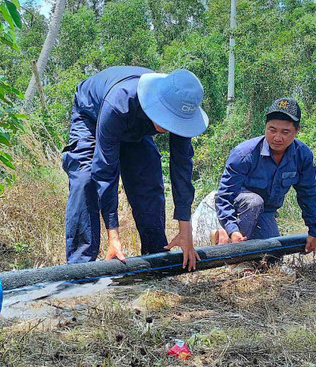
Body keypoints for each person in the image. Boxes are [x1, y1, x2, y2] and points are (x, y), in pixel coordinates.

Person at [62, 66, 209, 270]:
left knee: (148, 177)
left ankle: (156, 256)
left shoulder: (181, 108)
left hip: (135, 126)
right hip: (92, 115)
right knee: (85, 178)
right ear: (157, 103)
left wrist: (186, 231)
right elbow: (105, 170)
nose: (169, 125)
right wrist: (113, 236)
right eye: (167, 117)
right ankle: (79, 268)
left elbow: (182, 169)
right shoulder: (119, 102)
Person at [216, 97, 316, 254]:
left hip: (266, 212)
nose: (277, 138)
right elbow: (224, 196)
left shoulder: (303, 156)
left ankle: (223, 238)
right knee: (254, 202)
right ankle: (232, 247)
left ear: (297, 130)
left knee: (273, 256)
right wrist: (233, 229)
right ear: (265, 127)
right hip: (239, 209)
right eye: (272, 130)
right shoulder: (244, 154)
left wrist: (314, 231)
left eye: (285, 132)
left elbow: (308, 194)